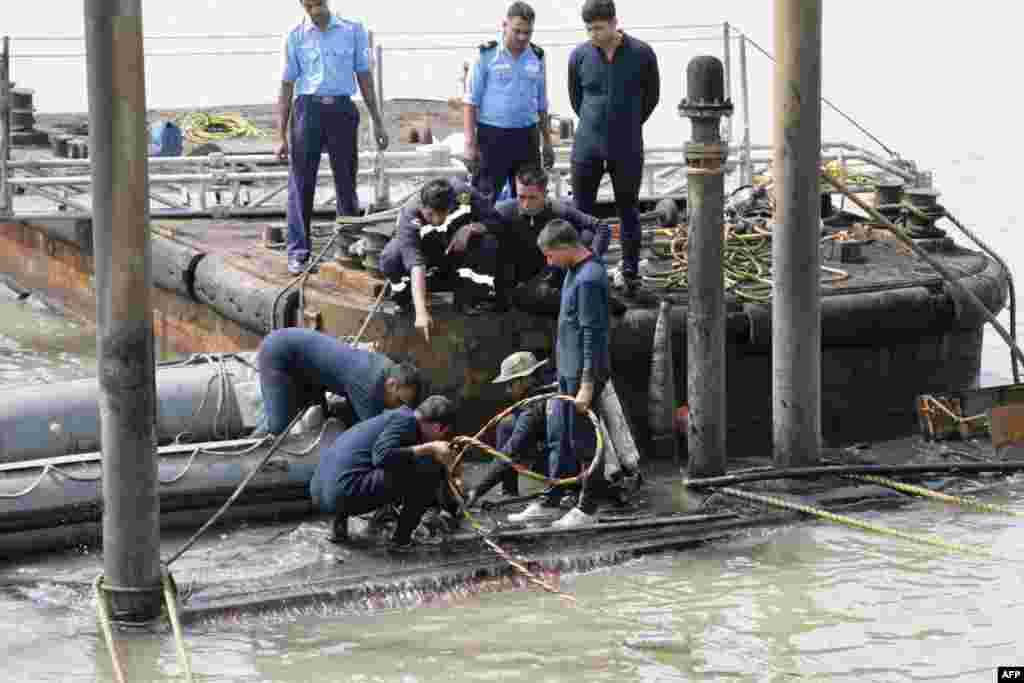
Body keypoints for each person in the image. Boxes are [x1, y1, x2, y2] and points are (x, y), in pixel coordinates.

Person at [508, 219, 611, 528]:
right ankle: (554, 498)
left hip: (583, 373)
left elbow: (592, 335)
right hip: (567, 369)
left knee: (584, 441)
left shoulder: (590, 279)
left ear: (566, 248)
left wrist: (587, 385)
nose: (547, 262)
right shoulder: (571, 272)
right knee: (561, 437)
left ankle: (588, 507)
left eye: (550, 255)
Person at [277, 0, 388, 275]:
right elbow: (286, 85)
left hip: (341, 109)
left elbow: (364, 76)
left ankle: (349, 246)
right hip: (307, 110)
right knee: (301, 183)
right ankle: (299, 252)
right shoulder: (294, 36)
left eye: (318, 3)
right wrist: (280, 136)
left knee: (346, 181)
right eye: (309, 5)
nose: (315, 10)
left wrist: (377, 121)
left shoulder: (353, 30)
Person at [567, 0, 660, 295]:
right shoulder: (579, 56)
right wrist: (596, 124)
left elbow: (652, 97)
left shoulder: (642, 53)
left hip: (627, 144)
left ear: (614, 22)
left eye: (599, 27)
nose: (594, 33)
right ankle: (581, 269)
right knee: (582, 210)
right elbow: (576, 98)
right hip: (587, 145)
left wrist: (628, 123)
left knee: (628, 208)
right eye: (589, 28)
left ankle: (630, 270)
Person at [310, 395, 458, 553]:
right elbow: (382, 456)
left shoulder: (397, 417)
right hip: (341, 493)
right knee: (430, 468)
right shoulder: (406, 422)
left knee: (403, 462)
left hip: (320, 491)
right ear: (438, 428)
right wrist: (430, 448)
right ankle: (401, 540)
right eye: (443, 433)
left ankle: (338, 527)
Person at [379, 177, 505, 342]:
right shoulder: (409, 215)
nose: (437, 220)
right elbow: (416, 263)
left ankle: (471, 297)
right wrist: (421, 312)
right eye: (430, 214)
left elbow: (496, 221)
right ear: (422, 207)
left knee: (488, 243)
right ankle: (405, 299)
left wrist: (471, 228)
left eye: (442, 214)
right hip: (426, 256)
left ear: (451, 205)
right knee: (391, 257)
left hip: (456, 251)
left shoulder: (463, 196)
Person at [463, 1, 555, 204]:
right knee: (484, 199)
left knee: (529, 200)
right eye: (517, 31)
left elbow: (541, 103)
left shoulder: (537, 56)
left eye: (528, 32)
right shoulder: (486, 55)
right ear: (504, 25)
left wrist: (547, 142)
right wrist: (469, 144)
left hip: (527, 137)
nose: (522, 37)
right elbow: (470, 102)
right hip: (492, 138)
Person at [255, 328, 422, 436]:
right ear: (392, 384)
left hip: (307, 368)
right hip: (279, 354)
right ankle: (252, 441)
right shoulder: (368, 384)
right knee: (279, 427)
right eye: (398, 402)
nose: (396, 407)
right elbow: (372, 430)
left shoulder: (387, 366)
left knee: (312, 411)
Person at [493, 166, 611, 289]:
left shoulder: (558, 210)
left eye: (532, 197)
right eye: (521, 197)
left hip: (550, 274)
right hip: (516, 271)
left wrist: (589, 261)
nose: (526, 204)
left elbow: (601, 227)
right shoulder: (503, 210)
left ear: (545, 194)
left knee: (586, 235)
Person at [464, 351, 553, 508]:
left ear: (524, 380)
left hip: (557, 463)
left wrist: (477, 489)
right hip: (545, 451)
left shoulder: (534, 406)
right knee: (507, 424)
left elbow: (511, 451)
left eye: (509, 384)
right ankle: (509, 489)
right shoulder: (538, 393)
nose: (507, 390)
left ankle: (556, 494)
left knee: (511, 448)